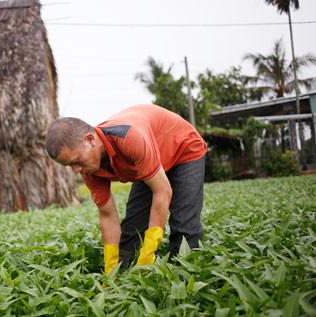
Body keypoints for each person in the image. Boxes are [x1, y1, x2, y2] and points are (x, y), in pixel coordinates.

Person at [45, 104, 207, 274]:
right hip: (147, 162)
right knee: (132, 230)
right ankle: (123, 277)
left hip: (184, 148)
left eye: (76, 161)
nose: (76, 170)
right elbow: (108, 215)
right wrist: (110, 269)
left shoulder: (128, 138)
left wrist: (149, 252)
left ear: (90, 140)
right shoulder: (89, 169)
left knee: (183, 228)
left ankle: (181, 277)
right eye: (69, 165)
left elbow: (162, 191)